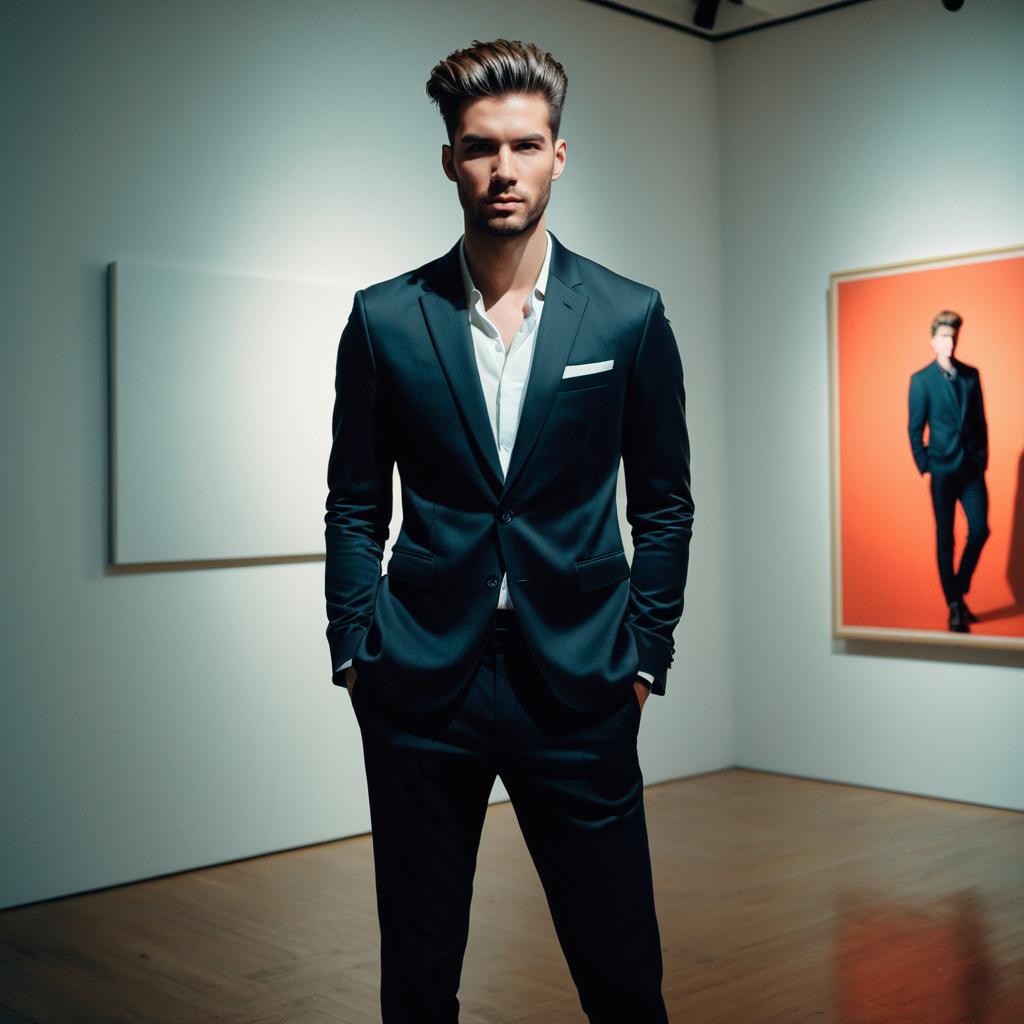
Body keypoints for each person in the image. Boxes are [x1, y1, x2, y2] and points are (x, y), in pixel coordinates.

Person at [324, 38, 693, 1023]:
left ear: (558, 157)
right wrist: (355, 646)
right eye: (480, 147)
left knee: (621, 975)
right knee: (419, 975)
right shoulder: (383, 320)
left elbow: (663, 500)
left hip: (579, 682)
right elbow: (355, 502)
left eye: (525, 146)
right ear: (448, 158)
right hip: (417, 684)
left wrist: (645, 653)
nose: (503, 170)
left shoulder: (626, 316)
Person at [908, 309, 990, 632]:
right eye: (944, 336)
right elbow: (915, 429)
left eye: (953, 336)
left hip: (971, 470)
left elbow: (981, 421)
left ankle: (957, 589)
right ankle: (954, 606)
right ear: (933, 341)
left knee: (980, 529)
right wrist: (925, 463)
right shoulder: (921, 380)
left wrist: (982, 458)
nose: (949, 342)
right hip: (942, 470)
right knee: (946, 539)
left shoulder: (971, 375)